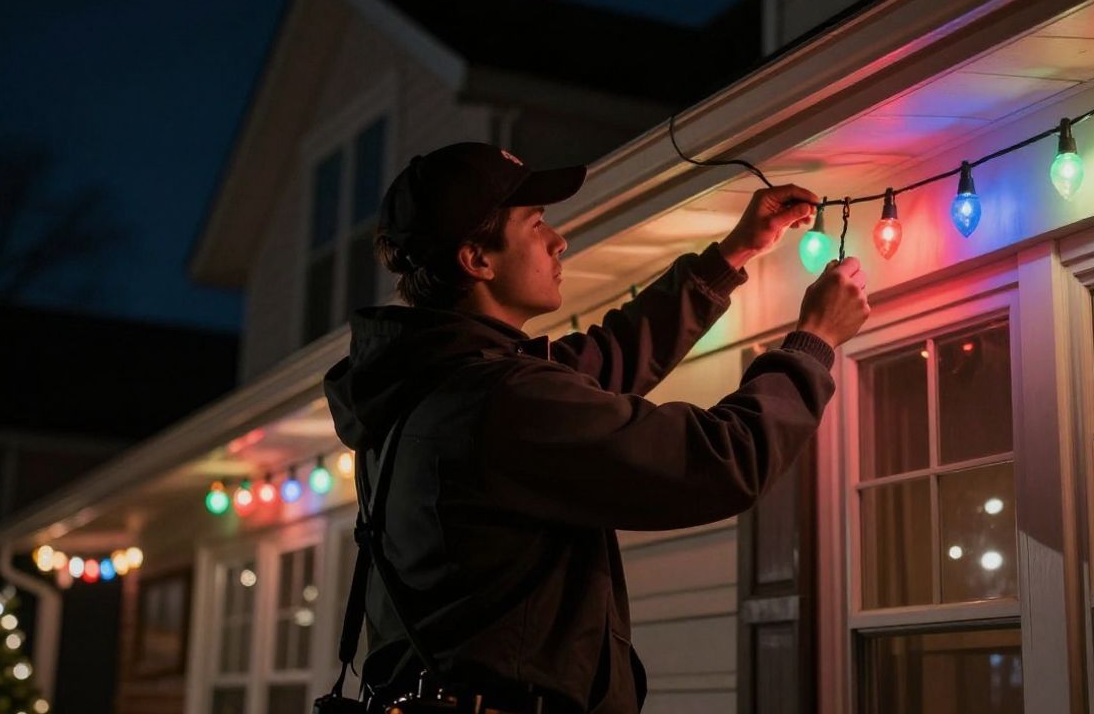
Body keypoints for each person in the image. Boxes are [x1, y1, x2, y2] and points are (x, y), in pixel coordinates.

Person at [323, 142, 870, 714]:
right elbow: (714, 461)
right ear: (476, 260)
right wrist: (813, 343)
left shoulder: (426, 387)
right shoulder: (500, 399)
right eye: (535, 224)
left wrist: (730, 256)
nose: (558, 240)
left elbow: (607, 360)